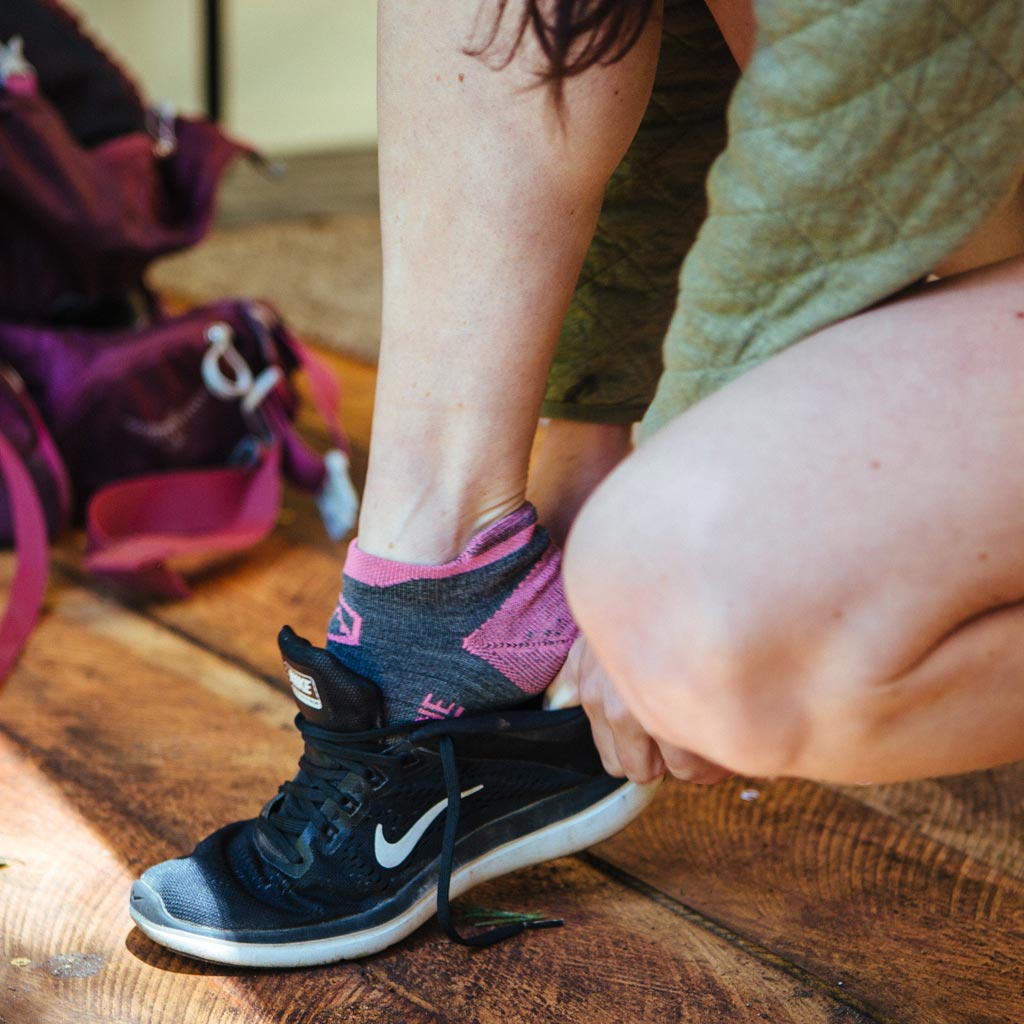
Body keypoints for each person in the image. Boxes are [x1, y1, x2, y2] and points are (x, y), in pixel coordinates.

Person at [128, 0, 1024, 966]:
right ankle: (427, 593)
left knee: (694, 616)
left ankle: (481, 647)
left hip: (933, 170)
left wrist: (665, 505)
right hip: (924, 175)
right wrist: (587, 419)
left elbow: (857, 107)